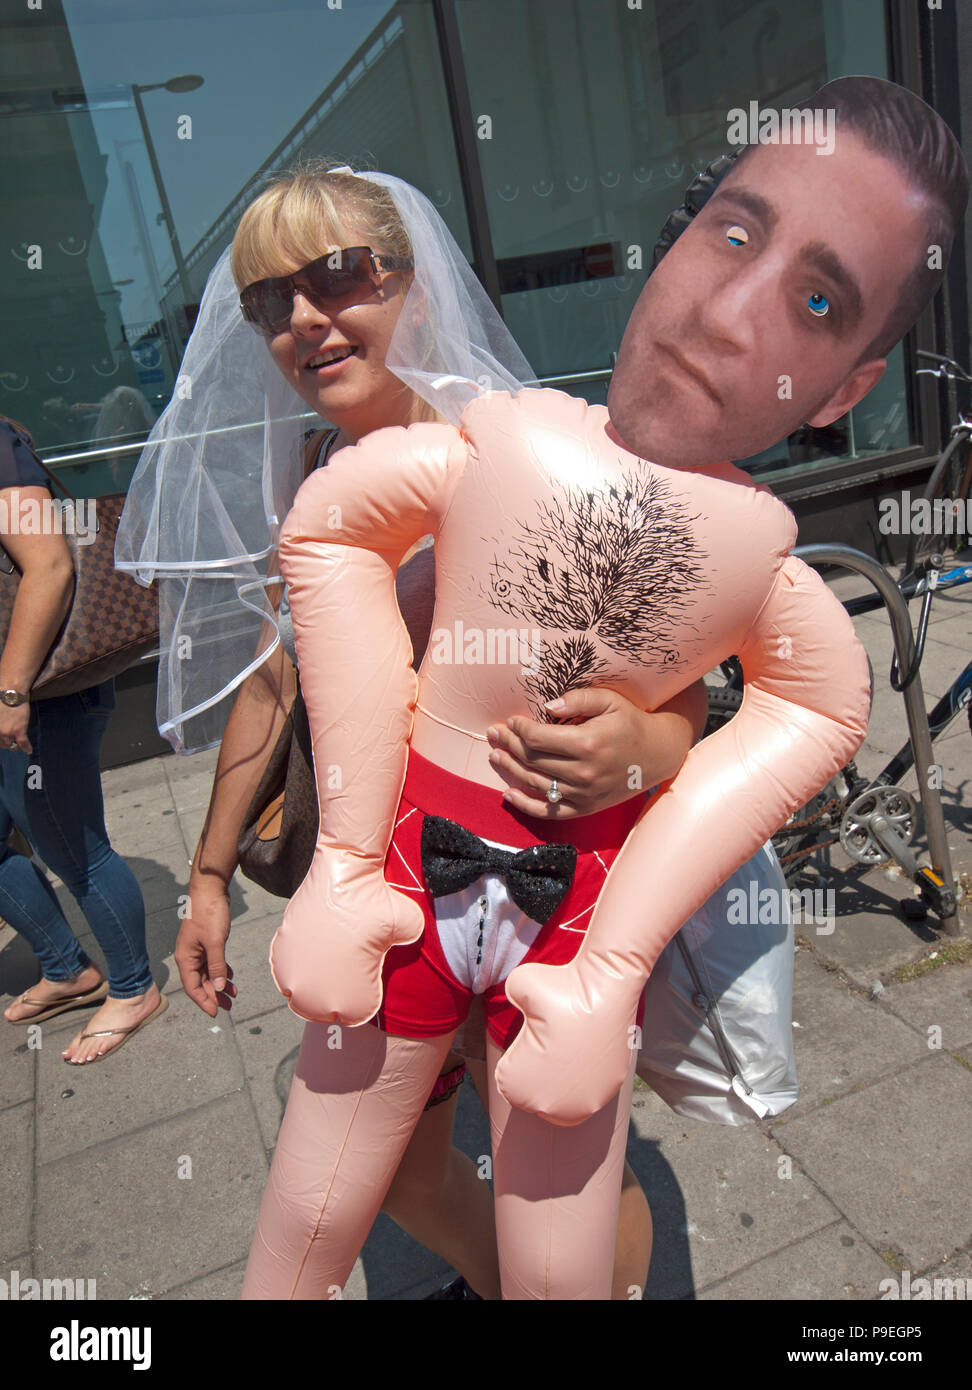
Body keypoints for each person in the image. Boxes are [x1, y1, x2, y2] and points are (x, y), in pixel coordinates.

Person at [253, 75, 966, 1298]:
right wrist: (322, 861)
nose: (734, 315)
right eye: (733, 233)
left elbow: (802, 699)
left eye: (813, 299)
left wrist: (650, 773)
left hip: (567, 915)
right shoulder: (482, 441)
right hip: (402, 890)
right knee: (337, 1205)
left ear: (848, 389)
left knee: (559, 1221)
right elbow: (318, 567)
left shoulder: (672, 512)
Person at [118, 162, 716, 1300]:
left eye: (338, 275)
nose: (303, 318)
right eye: (267, 300)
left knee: (559, 1168)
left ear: (419, 289)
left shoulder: (524, 460)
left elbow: (682, 683)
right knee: (394, 1178)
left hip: (531, 885)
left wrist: (642, 745)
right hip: (382, 904)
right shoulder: (313, 471)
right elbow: (272, 680)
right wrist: (205, 877)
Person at [0, 414, 166, 1062]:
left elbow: (48, 567)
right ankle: (66, 969)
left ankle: (133, 987)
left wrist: (12, 694)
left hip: (38, 696)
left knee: (74, 850)